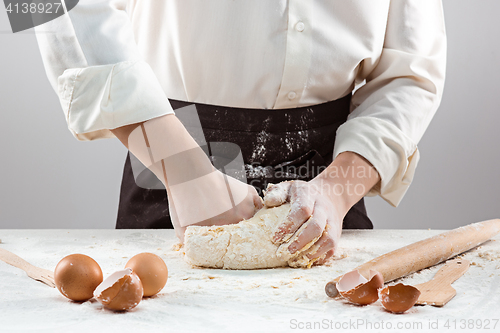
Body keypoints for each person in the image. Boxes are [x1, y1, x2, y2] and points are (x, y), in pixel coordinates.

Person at [34, 0, 446, 265]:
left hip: (330, 184)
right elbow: (41, 6)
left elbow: (413, 69)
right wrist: (181, 168)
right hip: (172, 151)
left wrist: (337, 190)